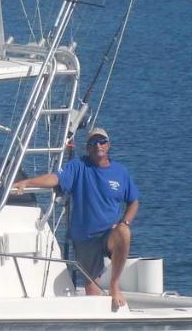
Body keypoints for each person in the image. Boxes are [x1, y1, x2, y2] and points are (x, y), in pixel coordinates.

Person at [10, 126, 140, 309]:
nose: (98, 146)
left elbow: (133, 201)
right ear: (88, 148)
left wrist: (124, 221)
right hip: (85, 238)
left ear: (108, 145)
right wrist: (27, 182)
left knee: (124, 232)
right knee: (92, 294)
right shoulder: (79, 166)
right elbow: (54, 178)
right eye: (93, 143)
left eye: (102, 141)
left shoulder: (120, 172)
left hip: (108, 234)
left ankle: (114, 285)